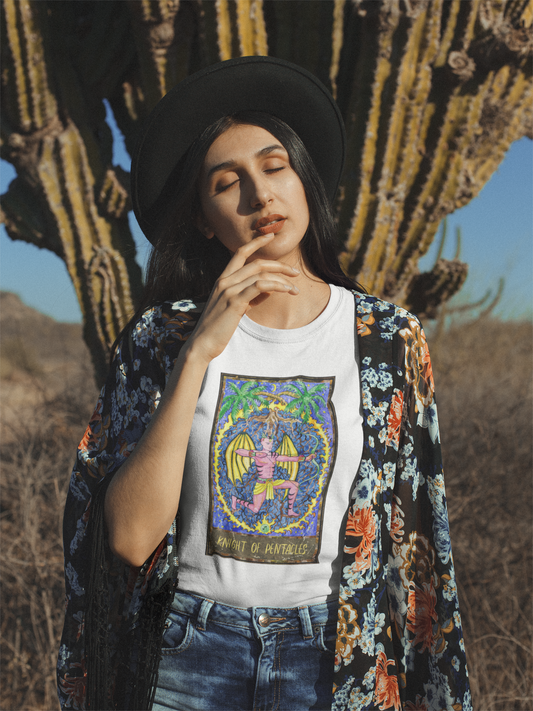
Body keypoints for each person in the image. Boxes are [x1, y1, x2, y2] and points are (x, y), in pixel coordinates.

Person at [57, 57, 471, 711]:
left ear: (304, 179)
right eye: (227, 182)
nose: (259, 195)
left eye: (274, 167)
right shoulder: (158, 340)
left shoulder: (388, 338)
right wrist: (198, 354)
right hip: (188, 657)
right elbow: (129, 538)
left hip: (338, 655)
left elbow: (418, 535)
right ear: (202, 217)